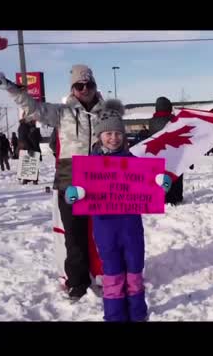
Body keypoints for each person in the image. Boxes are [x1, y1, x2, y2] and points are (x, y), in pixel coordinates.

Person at [0, 65, 107, 300]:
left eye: (89, 85)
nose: (85, 89)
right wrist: (9, 87)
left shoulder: (107, 113)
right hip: (70, 178)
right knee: (73, 234)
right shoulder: (62, 112)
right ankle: (77, 282)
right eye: (79, 85)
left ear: (95, 86)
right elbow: (32, 108)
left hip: (100, 177)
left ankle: (103, 275)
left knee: (101, 231)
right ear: (73, 89)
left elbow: (119, 142)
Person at [64, 100, 171, 321]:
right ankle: (114, 317)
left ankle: (138, 314)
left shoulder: (133, 162)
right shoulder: (90, 166)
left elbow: (149, 183)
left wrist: (162, 182)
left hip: (131, 229)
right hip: (106, 230)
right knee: (112, 276)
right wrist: (72, 193)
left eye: (118, 133)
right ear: (100, 136)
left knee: (134, 274)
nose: (114, 138)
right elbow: (78, 190)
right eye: (108, 133)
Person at [148, 96, 184, 205]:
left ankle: (163, 196)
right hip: (174, 152)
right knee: (176, 175)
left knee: (162, 175)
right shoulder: (173, 120)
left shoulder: (152, 121)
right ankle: (176, 196)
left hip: (159, 153)